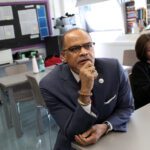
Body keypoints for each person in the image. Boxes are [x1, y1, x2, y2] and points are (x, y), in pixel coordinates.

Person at [40, 28, 134, 150]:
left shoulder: (113, 68)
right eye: (75, 49)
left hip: (112, 139)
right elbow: (73, 132)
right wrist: (85, 91)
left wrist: (105, 127)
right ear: (63, 56)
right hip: (76, 146)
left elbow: (127, 107)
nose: (84, 52)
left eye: (88, 46)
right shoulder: (50, 85)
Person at [130, 34, 150, 109]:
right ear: (142, 51)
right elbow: (142, 95)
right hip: (145, 107)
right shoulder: (139, 68)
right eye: (149, 50)